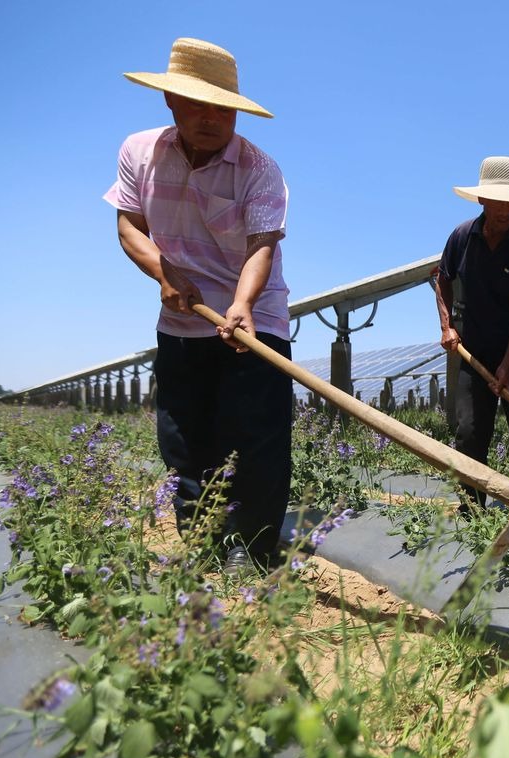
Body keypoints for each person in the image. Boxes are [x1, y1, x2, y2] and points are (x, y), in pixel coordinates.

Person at [103, 38, 292, 574]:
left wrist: (241, 303)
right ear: (170, 103)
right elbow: (128, 226)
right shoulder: (139, 152)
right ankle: (204, 546)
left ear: (236, 110)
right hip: (181, 321)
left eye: (222, 108)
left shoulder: (259, 168)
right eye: (197, 105)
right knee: (185, 439)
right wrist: (165, 272)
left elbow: (262, 246)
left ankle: (255, 555)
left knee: (255, 438)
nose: (211, 118)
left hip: (254, 318)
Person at [433, 156, 509, 510]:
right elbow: (442, 280)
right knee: (470, 432)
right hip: (476, 352)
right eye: (499, 201)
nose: (507, 209)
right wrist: (447, 327)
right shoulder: (461, 238)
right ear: (482, 200)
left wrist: (507, 365)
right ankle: (471, 509)